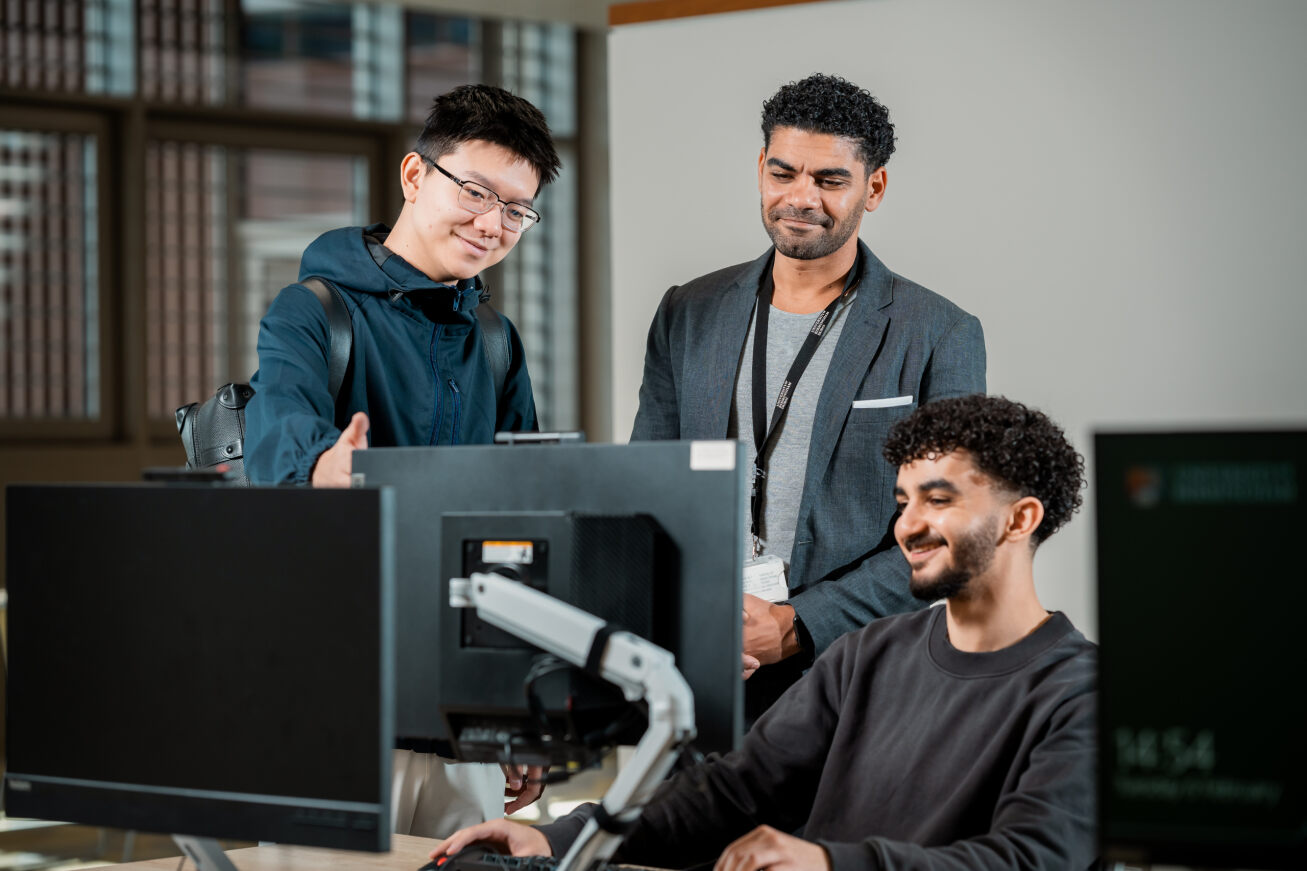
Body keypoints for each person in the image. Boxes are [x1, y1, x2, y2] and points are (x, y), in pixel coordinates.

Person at [433, 394, 1097, 870]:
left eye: (939, 499)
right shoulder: (868, 654)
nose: (907, 525)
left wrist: (828, 862)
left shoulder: (1085, 693)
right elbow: (734, 788)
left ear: (1019, 519)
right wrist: (562, 836)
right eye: (902, 501)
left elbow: (1029, 856)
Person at [244, 84, 561, 835]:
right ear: (415, 177)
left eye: (516, 209)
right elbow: (277, 434)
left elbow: (519, 527)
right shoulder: (313, 310)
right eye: (477, 192)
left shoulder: (493, 338)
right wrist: (331, 465)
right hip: (331, 708)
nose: (493, 224)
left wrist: (522, 712)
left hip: (462, 719)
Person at [628, 73, 987, 716]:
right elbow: (648, 488)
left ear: (872, 187)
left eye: (829, 180)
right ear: (760, 168)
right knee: (684, 821)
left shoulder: (939, 333)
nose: (800, 198)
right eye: (783, 173)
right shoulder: (689, 311)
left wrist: (796, 624)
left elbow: (948, 530)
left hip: (854, 675)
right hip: (701, 662)